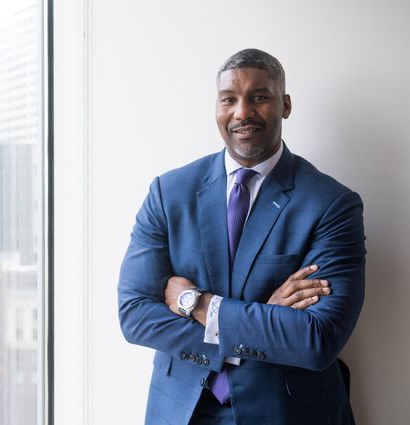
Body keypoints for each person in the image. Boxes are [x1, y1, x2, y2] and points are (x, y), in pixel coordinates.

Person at [117, 48, 365, 425]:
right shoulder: (170, 192)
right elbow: (135, 314)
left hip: (289, 413)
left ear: (285, 105)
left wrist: (197, 304)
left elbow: (318, 338)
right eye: (229, 99)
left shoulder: (332, 204)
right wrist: (265, 320)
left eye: (259, 97)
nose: (242, 112)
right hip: (181, 410)